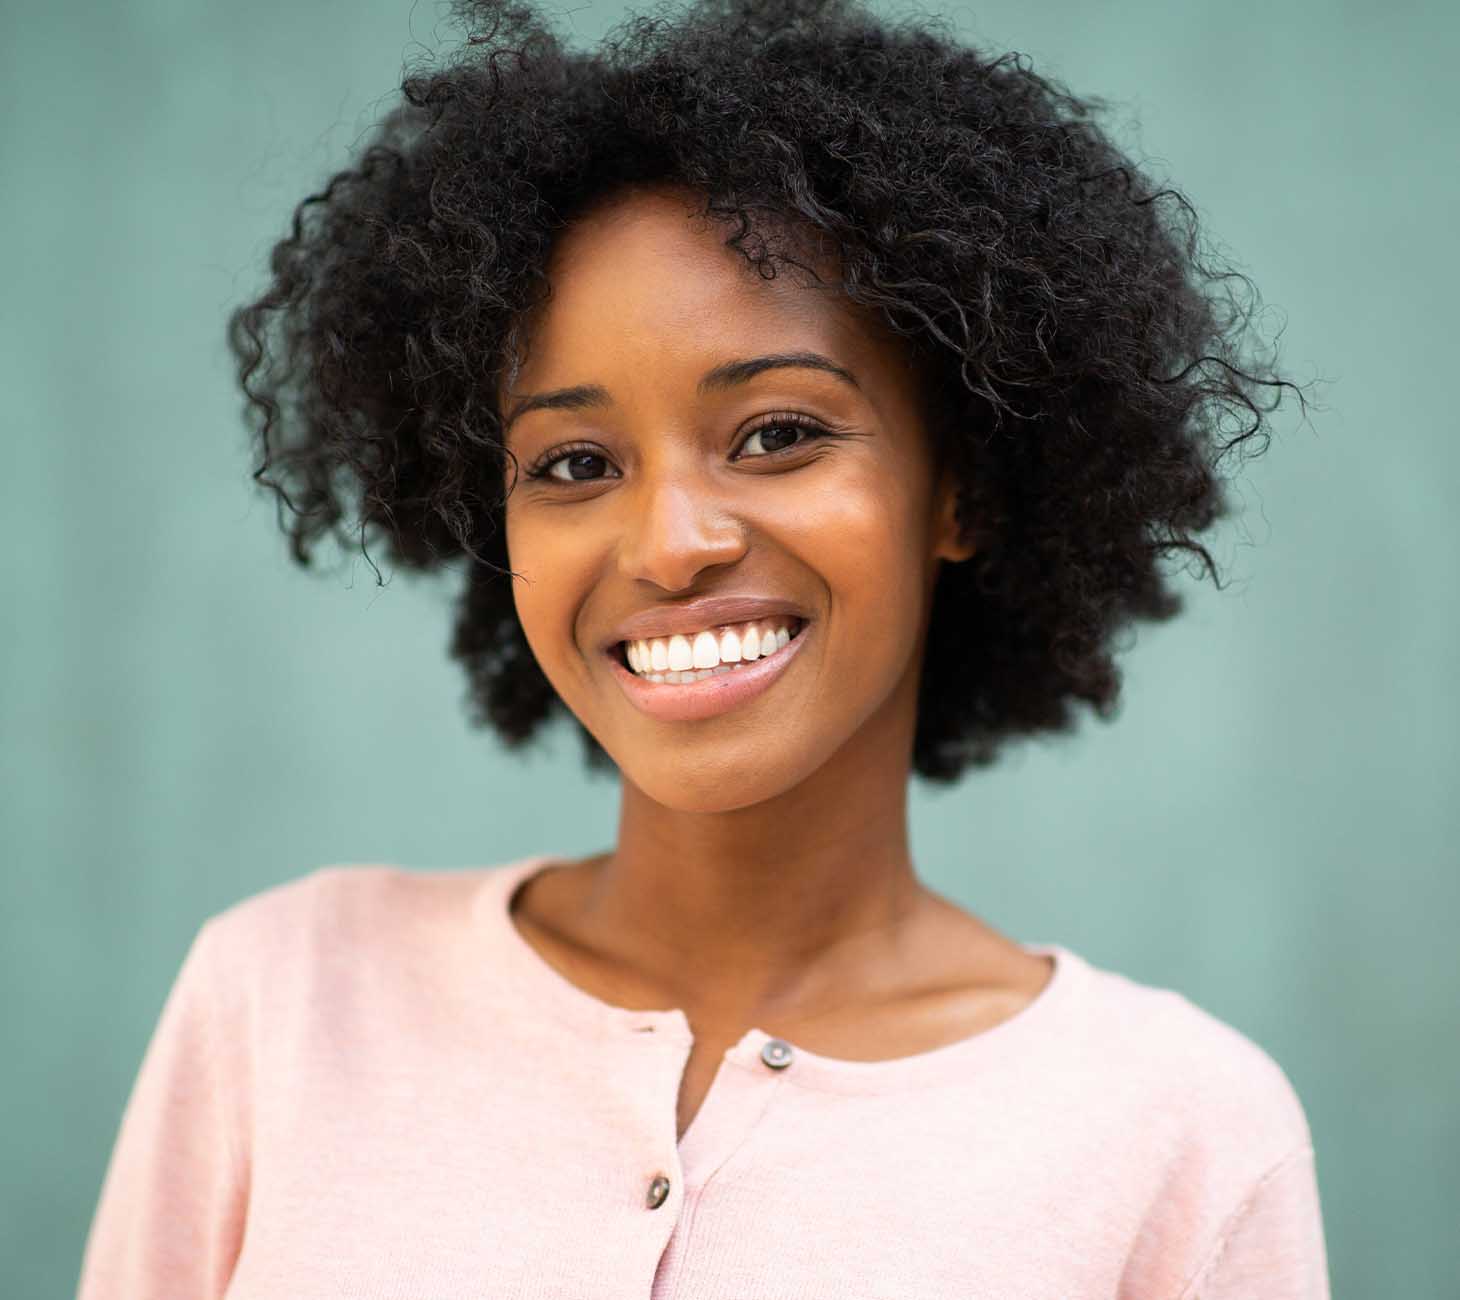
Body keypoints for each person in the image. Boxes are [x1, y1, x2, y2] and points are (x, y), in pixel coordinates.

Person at [78, 0, 1330, 1295]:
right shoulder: (284, 1000)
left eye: (779, 433)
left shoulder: (1181, 1133)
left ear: (961, 489)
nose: (670, 543)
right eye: (573, 462)